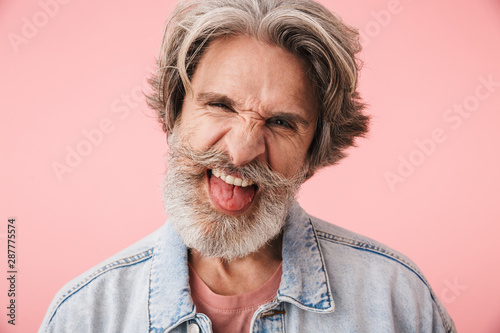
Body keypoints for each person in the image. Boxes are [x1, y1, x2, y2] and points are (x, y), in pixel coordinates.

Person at [39, 0, 456, 332]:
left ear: (314, 150)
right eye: (220, 105)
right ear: (175, 112)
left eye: (279, 122)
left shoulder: (397, 302)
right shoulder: (84, 316)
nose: (240, 153)